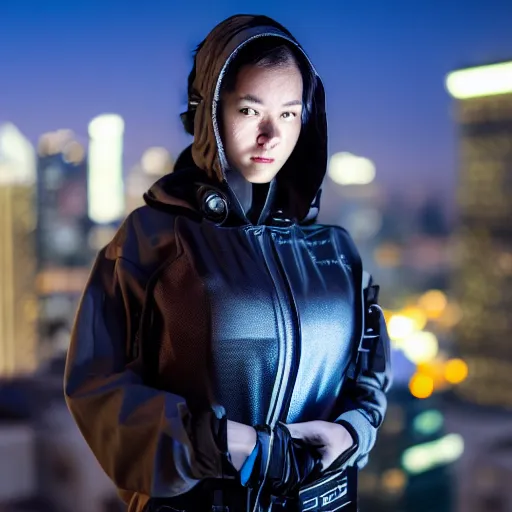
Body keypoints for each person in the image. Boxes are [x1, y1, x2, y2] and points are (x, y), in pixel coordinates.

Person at [64, 14, 392, 512]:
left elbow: (369, 371)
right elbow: (95, 386)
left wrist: (353, 432)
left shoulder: (335, 251)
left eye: (288, 114)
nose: (270, 136)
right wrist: (219, 443)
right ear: (208, 111)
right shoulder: (154, 238)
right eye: (249, 110)